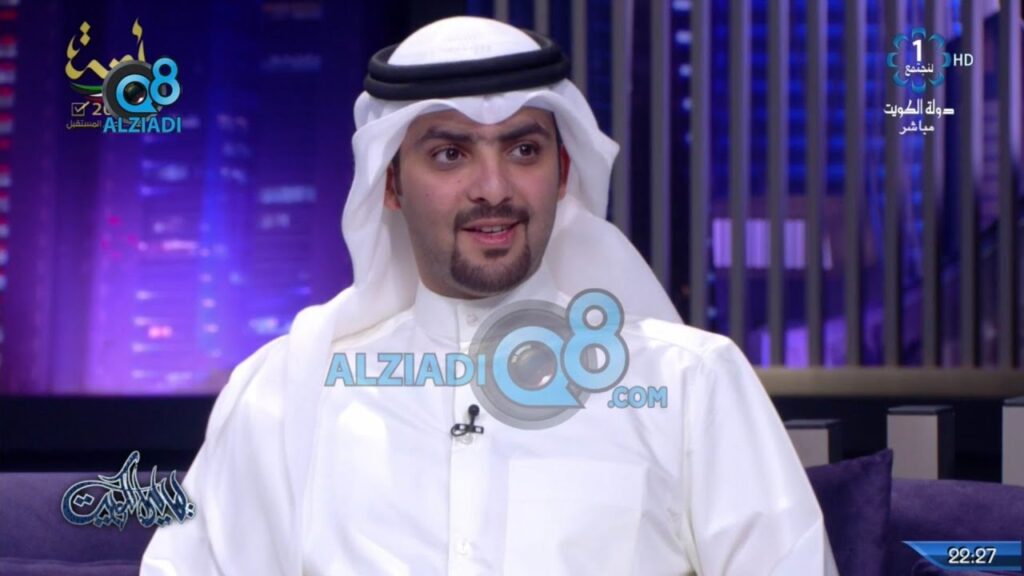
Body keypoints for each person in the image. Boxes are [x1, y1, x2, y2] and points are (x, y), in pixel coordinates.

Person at [141, 15, 838, 575]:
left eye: (523, 150)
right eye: (450, 154)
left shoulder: (689, 384)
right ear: (391, 183)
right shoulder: (284, 395)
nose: (494, 188)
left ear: (562, 174)